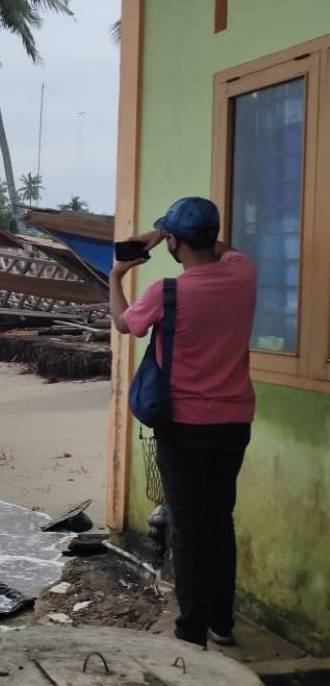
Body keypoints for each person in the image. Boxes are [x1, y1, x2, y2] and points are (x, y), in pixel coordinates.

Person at [108, 196, 256, 648]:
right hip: (234, 422)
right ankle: (222, 624)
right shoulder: (242, 274)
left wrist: (117, 275)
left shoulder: (167, 292)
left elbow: (123, 324)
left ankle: (191, 630)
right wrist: (178, 234)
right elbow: (223, 248)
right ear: (211, 236)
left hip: (183, 425)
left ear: (173, 243)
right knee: (219, 521)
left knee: (189, 530)